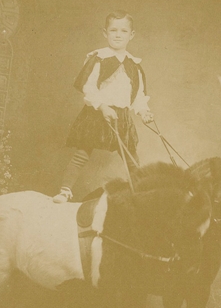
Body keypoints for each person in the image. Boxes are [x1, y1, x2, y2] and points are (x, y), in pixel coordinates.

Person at [53, 11, 154, 203]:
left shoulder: (134, 65)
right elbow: (88, 86)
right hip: (98, 113)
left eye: (123, 31)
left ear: (131, 35)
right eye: (113, 30)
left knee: (131, 159)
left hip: (121, 117)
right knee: (82, 153)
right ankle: (65, 191)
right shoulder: (98, 58)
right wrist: (102, 106)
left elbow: (138, 95)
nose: (118, 35)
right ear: (105, 33)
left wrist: (144, 112)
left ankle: (140, 194)